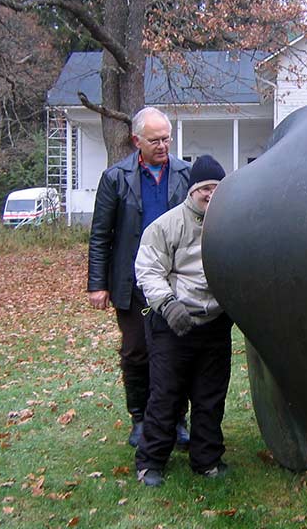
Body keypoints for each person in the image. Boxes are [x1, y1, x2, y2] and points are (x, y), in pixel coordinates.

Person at [87, 106, 191, 449]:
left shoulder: (185, 174)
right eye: (155, 140)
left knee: (177, 353)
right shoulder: (115, 178)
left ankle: (176, 420)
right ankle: (140, 419)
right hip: (131, 282)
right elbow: (101, 235)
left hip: (177, 280)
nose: (162, 146)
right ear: (136, 141)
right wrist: (97, 284)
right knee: (136, 352)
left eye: (167, 139)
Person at [134, 155, 233, 486]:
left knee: (210, 397)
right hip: (174, 325)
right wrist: (167, 305)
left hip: (215, 325)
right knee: (166, 396)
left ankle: (206, 460)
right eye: (205, 188)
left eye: (217, 188)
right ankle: (150, 463)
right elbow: (148, 270)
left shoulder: (232, 223)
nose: (210, 194)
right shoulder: (166, 225)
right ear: (192, 190)